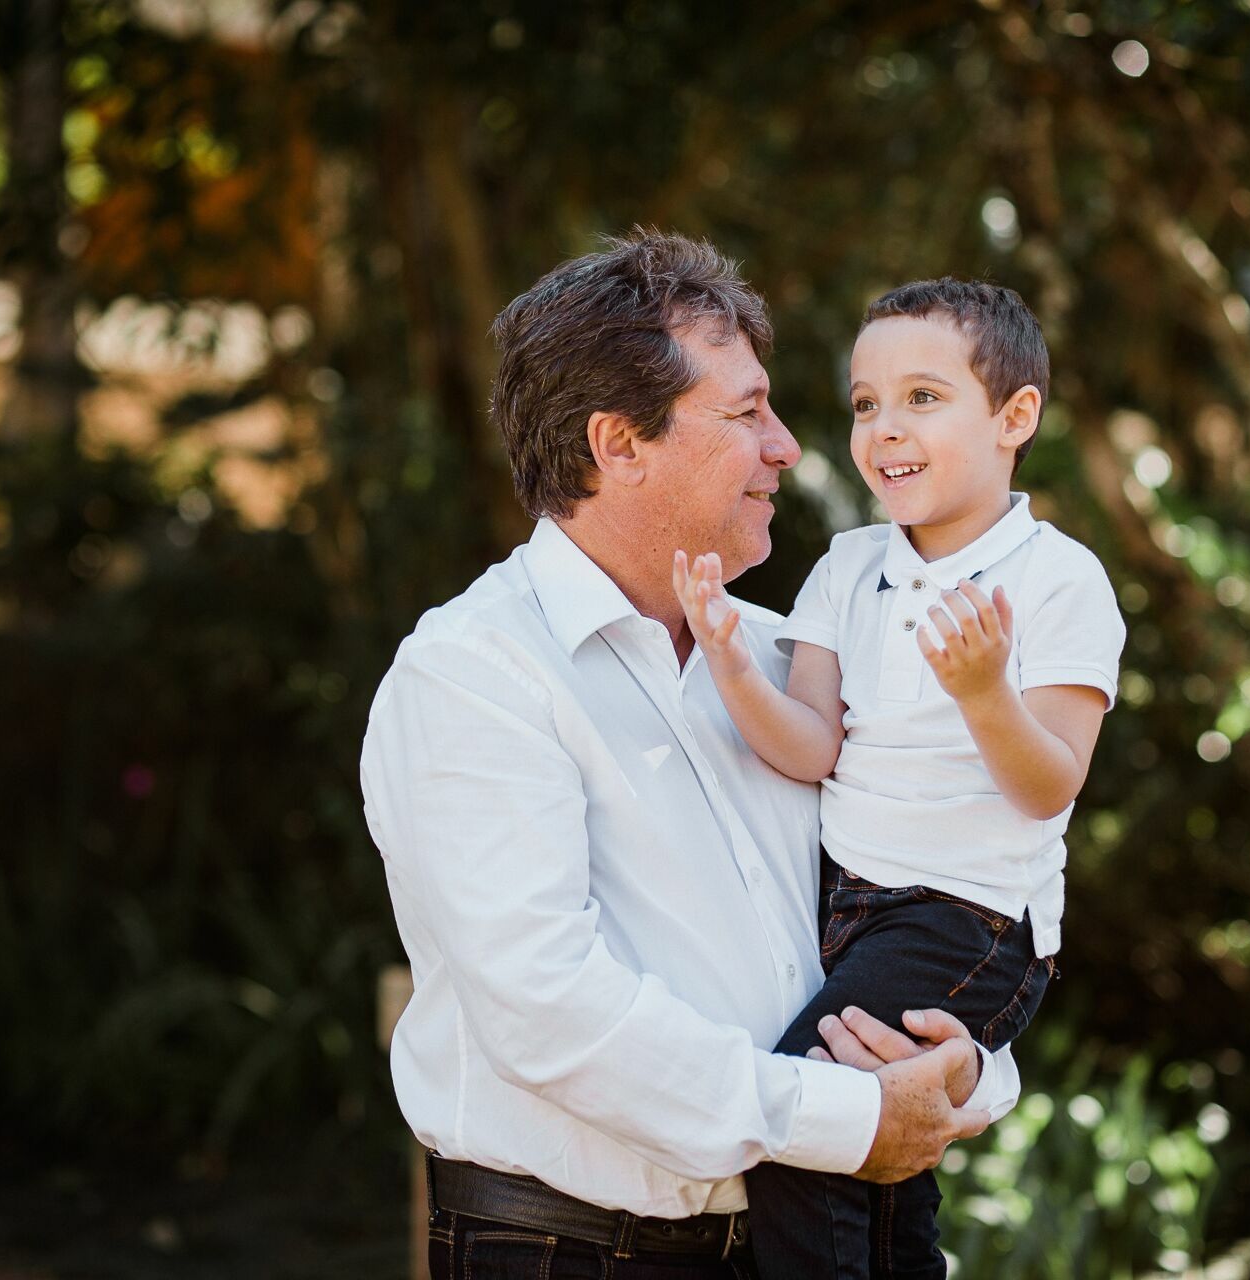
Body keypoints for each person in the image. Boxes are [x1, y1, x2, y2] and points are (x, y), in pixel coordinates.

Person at [359, 233, 1020, 1279]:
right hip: (571, 1253)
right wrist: (842, 1117)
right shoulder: (472, 675)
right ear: (619, 444)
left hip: (818, 1241)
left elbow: (922, 900)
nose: (789, 448)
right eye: (747, 412)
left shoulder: (793, 665)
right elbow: (550, 1006)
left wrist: (968, 1066)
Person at [672, 278, 1127, 1279]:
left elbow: (1049, 782)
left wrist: (981, 692)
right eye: (865, 403)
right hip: (848, 909)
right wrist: (731, 663)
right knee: (880, 1165)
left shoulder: (1059, 579)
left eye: (923, 396)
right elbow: (812, 745)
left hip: (967, 920)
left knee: (806, 1118)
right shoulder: (846, 566)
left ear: (1015, 416)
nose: (884, 427)